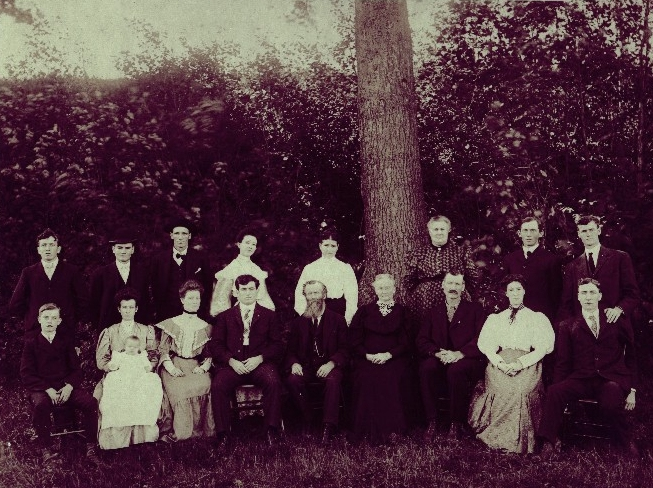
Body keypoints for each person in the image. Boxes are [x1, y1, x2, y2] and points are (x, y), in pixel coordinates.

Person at [538, 278, 638, 458]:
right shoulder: (568, 325)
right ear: (578, 297)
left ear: (600, 296)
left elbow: (631, 355)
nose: (588, 297)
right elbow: (563, 362)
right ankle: (549, 441)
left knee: (611, 399)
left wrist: (631, 388)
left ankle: (624, 442)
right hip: (581, 379)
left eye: (592, 292)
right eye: (584, 293)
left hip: (609, 379)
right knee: (554, 391)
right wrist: (561, 388)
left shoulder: (614, 321)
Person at [468, 275, 554, 454]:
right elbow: (487, 346)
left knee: (521, 390)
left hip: (527, 363)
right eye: (511, 290)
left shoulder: (536, 318)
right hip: (500, 363)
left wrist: (520, 363)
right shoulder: (496, 318)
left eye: (518, 289)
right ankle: (497, 436)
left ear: (524, 291)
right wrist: (500, 364)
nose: (515, 293)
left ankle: (520, 440)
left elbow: (542, 348)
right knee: (500, 388)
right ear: (506, 293)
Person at [20, 303, 101, 465]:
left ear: (59, 321)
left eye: (54, 318)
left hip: (65, 387)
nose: (50, 321)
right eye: (46, 318)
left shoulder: (65, 342)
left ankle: (91, 447)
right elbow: (26, 373)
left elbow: (76, 370)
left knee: (91, 402)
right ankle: (46, 449)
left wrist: (70, 386)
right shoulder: (31, 344)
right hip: (41, 388)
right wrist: (47, 389)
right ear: (39, 320)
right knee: (41, 405)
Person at [210, 274, 284, 448]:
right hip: (233, 365)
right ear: (235, 292)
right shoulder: (225, 317)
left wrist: (260, 358)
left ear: (257, 291)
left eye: (251, 289)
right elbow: (216, 345)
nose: (248, 293)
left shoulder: (269, 315)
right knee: (218, 385)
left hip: (259, 364)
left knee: (273, 382)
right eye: (243, 289)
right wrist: (230, 361)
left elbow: (278, 346)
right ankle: (223, 434)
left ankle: (271, 430)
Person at [417, 272, 486, 442]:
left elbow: (482, 338)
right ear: (443, 286)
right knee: (427, 368)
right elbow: (422, 339)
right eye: (450, 284)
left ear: (463, 287)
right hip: (441, 356)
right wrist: (437, 353)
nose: (453, 288)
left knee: (456, 371)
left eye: (457, 284)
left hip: (467, 359)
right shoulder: (433, 312)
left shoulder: (475, 309)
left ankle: (456, 423)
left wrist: (460, 353)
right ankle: (432, 421)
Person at [349, 274, 413, 443]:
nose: (384, 291)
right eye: (380, 288)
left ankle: (394, 430)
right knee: (367, 378)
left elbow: (406, 341)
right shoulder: (364, 311)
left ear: (394, 289)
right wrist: (367, 355)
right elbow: (355, 340)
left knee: (391, 377)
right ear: (375, 290)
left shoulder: (403, 312)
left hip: (395, 358)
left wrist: (388, 355)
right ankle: (366, 429)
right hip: (367, 358)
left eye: (387, 288)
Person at [94, 288, 160, 449]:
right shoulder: (110, 331)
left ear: (136, 309)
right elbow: (101, 359)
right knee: (117, 392)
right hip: (118, 375)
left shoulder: (146, 330)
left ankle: (141, 438)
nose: (128, 311)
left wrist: (147, 367)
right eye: (124, 307)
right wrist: (112, 367)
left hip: (140, 374)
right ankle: (116, 441)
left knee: (146, 388)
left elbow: (153, 354)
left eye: (131, 307)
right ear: (119, 309)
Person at [285, 280, 348, 442]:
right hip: (306, 367)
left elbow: (345, 349)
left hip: (330, 366)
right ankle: (308, 418)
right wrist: (294, 363)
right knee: (292, 380)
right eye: (309, 293)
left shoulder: (338, 320)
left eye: (316, 293)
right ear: (305, 296)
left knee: (333, 380)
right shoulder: (298, 322)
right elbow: (290, 350)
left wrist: (332, 363)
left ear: (324, 295)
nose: (313, 297)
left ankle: (329, 425)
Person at [156, 279, 215, 442]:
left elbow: (209, 354)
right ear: (182, 300)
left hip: (195, 365)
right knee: (181, 390)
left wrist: (203, 368)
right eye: (190, 298)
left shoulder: (206, 327)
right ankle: (182, 432)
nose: (194, 301)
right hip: (174, 364)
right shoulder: (171, 324)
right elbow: (164, 351)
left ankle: (202, 430)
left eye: (197, 298)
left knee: (205, 384)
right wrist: (171, 368)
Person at [558, 215, 639, 323]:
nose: (588, 234)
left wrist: (619, 309)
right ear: (579, 234)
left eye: (591, 230)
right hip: (584, 331)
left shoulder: (620, 258)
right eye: (584, 231)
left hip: (614, 326)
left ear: (599, 230)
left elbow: (632, 294)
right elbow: (566, 305)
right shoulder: (571, 267)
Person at [10, 229, 88, 337]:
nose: (47, 248)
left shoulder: (72, 271)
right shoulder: (28, 272)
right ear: (38, 250)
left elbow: (83, 301)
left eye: (51, 245)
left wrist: (70, 320)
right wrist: (32, 318)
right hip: (35, 331)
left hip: (64, 330)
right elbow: (15, 303)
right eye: (44, 245)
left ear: (58, 249)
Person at [405, 216, 481, 318]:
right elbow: (409, 279)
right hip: (424, 299)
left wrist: (462, 291)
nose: (439, 232)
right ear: (429, 231)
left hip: (454, 295)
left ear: (448, 230)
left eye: (442, 229)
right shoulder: (419, 253)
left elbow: (472, 277)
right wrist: (421, 292)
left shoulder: (460, 251)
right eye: (435, 229)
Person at [98, 335, 163, 449]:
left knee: (151, 381)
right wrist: (112, 365)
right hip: (123, 377)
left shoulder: (141, 356)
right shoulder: (120, 356)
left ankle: (143, 431)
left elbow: (147, 367)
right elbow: (114, 365)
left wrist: (147, 368)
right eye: (129, 346)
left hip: (138, 378)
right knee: (115, 383)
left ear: (139, 348)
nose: (131, 349)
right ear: (125, 346)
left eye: (134, 347)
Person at [150, 219, 213, 322]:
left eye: (184, 233)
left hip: (193, 313)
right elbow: (155, 287)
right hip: (166, 313)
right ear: (171, 235)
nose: (180, 237)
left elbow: (208, 286)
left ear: (189, 236)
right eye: (177, 233)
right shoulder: (159, 259)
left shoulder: (201, 258)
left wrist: (202, 309)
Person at [503, 217, 562, 322]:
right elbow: (506, 290)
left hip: (541, 318)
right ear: (519, 233)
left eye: (533, 230)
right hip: (516, 317)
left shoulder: (551, 259)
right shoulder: (510, 259)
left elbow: (556, 294)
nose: (528, 234)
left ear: (541, 233)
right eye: (525, 230)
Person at [293, 227, 358, 324]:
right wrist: (305, 314)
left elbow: (352, 295)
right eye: (326, 245)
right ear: (320, 246)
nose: (329, 249)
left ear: (337, 247)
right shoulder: (310, 268)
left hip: (337, 310)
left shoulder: (345, 268)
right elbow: (300, 293)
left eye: (333, 246)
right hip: (314, 309)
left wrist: (347, 318)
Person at [90, 229, 150, 330]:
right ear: (113, 249)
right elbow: (94, 304)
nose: (123, 251)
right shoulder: (100, 274)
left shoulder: (142, 272)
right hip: (108, 326)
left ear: (132, 250)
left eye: (127, 248)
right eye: (120, 248)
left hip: (136, 327)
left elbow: (145, 302)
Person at [210, 229, 275, 317]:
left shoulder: (256, 269)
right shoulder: (231, 268)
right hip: (237, 315)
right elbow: (222, 299)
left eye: (253, 244)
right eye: (247, 243)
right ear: (239, 244)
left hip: (257, 315)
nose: (250, 246)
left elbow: (263, 296)